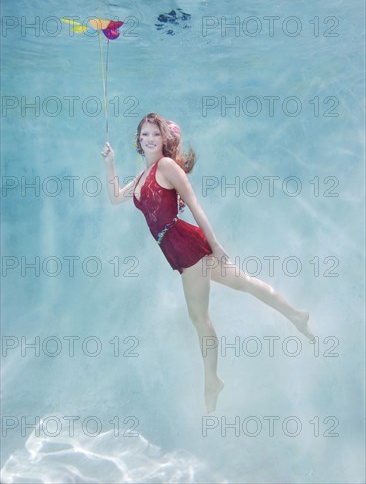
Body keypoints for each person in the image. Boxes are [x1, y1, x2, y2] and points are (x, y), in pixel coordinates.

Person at [101, 113, 315, 413]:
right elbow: (113, 198)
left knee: (199, 318)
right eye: (144, 134)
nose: (148, 139)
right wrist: (109, 164)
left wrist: (216, 245)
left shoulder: (166, 166)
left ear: (164, 140)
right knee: (244, 283)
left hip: (187, 248)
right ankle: (296, 314)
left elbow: (194, 204)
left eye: (154, 135)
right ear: (138, 139)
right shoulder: (141, 176)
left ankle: (212, 380)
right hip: (177, 249)